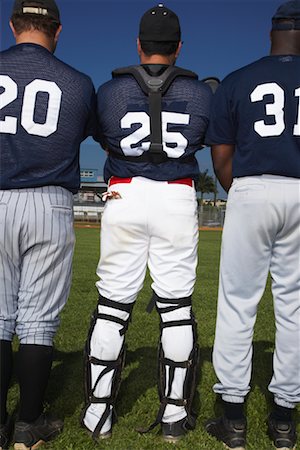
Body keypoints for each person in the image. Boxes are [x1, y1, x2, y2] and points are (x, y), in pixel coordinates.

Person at [81, 3, 213, 444]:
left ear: (138, 44)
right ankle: (174, 414)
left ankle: (98, 413)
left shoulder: (110, 91)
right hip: (177, 195)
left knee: (113, 306)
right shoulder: (200, 94)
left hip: (124, 193)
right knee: (176, 309)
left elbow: (101, 133)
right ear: (178, 47)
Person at [0, 1, 97, 449]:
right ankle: (28, 426)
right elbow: (77, 131)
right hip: (49, 202)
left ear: (13, 24)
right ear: (57, 31)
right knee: (37, 323)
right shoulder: (77, 82)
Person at [204, 1, 300, 449]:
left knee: (238, 304)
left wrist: (240, 193)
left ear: (271, 33)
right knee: (295, 309)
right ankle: (283, 421)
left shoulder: (240, 79)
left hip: (251, 188)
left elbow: (221, 156)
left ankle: (234, 418)